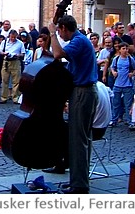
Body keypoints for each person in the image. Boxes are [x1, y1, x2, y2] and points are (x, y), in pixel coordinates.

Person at [48, 15, 98, 194]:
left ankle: (80, 185)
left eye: (60, 31)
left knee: (78, 140)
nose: (60, 35)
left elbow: (58, 54)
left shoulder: (78, 41)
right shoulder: (80, 40)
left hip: (82, 92)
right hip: (82, 91)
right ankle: (77, 180)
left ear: (63, 27)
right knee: (80, 139)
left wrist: (52, 34)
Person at [109, 42, 135, 126]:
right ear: (120, 50)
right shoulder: (116, 59)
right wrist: (114, 72)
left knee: (128, 104)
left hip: (127, 85)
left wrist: (132, 74)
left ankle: (130, 121)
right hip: (117, 85)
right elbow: (112, 67)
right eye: (123, 48)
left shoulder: (130, 59)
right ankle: (114, 120)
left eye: (126, 48)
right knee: (115, 103)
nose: (125, 50)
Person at [0, 29, 25, 104]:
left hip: (15, 62)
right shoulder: (4, 42)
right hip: (6, 61)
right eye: (11, 37)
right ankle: (4, 97)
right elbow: (0, 51)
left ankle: (15, 97)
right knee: (4, 80)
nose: (13, 39)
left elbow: (23, 53)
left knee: (16, 81)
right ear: (9, 36)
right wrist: (4, 53)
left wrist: (18, 55)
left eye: (14, 37)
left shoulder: (20, 43)